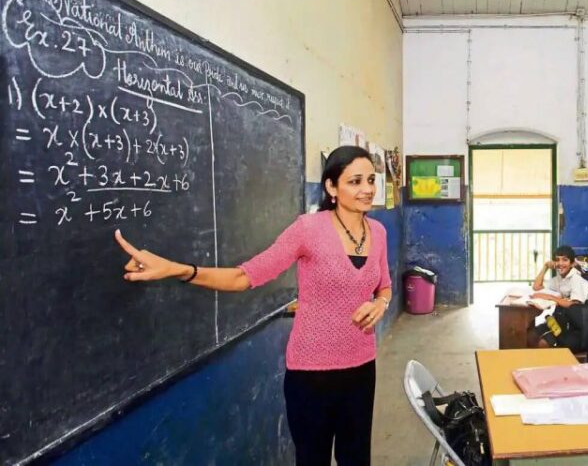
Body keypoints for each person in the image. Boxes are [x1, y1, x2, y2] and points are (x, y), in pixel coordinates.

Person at [114, 145, 391, 466]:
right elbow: (246, 276)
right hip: (311, 375)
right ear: (331, 187)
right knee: (312, 459)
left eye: (371, 180)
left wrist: (381, 303)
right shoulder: (308, 230)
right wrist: (179, 269)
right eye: (355, 181)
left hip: (361, 368)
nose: (368, 189)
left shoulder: (379, 233)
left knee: (357, 459)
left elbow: (383, 286)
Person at [530, 245, 588, 348]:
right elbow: (536, 287)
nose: (560, 263)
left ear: (572, 263)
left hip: (576, 328)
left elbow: (573, 304)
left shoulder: (576, 279)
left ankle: (552, 362)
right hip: (561, 322)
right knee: (532, 335)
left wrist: (550, 297)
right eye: (557, 260)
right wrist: (545, 267)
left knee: (543, 343)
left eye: (565, 260)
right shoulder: (558, 279)